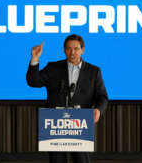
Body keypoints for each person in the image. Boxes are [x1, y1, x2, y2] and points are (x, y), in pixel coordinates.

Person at [26, 34, 108, 163]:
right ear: (64, 50)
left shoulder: (94, 71)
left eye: (76, 48)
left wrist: (98, 109)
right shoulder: (53, 67)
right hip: (56, 124)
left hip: (80, 124)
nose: (72, 52)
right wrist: (35, 59)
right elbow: (33, 81)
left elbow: (102, 96)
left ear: (83, 50)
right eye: (69, 48)